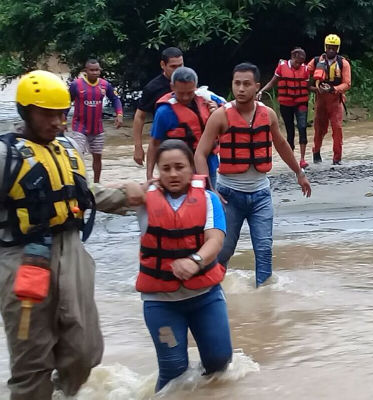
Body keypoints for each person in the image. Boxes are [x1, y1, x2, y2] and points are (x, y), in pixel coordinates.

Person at [0, 70, 146, 400]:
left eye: (61, 114)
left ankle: (58, 392)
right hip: (22, 259)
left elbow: (85, 192)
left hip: (72, 252)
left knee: (85, 349)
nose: (56, 122)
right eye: (47, 114)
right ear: (25, 112)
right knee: (31, 358)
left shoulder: (66, 149)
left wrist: (128, 195)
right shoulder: (5, 156)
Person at [194, 63, 311, 287]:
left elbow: (282, 145)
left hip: (260, 195)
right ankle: (212, 294)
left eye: (247, 84)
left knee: (264, 250)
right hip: (228, 196)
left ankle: (264, 303)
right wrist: (210, 191)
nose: (241, 89)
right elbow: (200, 154)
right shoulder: (220, 116)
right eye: (237, 83)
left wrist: (299, 172)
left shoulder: (268, 115)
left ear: (257, 87)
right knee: (223, 250)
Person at [135, 139, 231, 392]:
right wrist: (140, 187)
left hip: (205, 297)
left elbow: (216, 239)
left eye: (180, 167)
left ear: (192, 169)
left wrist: (195, 260)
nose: (173, 174)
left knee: (219, 361)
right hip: (161, 303)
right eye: (165, 168)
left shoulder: (209, 199)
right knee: (173, 370)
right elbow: (104, 194)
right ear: (158, 171)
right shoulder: (145, 199)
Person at [146, 67, 220, 185]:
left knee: (209, 199)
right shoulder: (164, 112)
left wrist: (217, 113)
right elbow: (154, 143)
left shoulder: (208, 100)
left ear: (195, 87)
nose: (185, 97)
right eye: (181, 93)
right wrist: (149, 176)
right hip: (179, 171)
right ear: (172, 87)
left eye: (190, 93)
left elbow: (233, 118)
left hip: (209, 164)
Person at [68, 59, 123, 183]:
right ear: (85, 71)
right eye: (92, 70)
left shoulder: (105, 85)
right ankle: (78, 183)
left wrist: (119, 114)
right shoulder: (76, 85)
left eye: (97, 70)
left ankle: (96, 184)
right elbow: (66, 102)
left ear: (100, 70)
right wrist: (61, 120)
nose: (95, 72)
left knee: (97, 157)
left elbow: (115, 99)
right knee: (78, 156)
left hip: (97, 129)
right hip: (79, 128)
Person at [257, 47, 311, 168]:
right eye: (297, 62)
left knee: (302, 127)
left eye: (301, 63)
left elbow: (307, 86)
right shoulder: (282, 67)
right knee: (290, 130)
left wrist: (320, 89)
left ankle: (302, 159)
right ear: (292, 58)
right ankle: (291, 159)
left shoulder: (305, 69)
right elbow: (273, 82)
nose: (299, 65)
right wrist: (261, 91)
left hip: (301, 103)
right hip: (286, 104)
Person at [132, 47, 184, 166]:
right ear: (163, 65)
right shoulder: (152, 88)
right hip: (164, 142)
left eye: (180, 66)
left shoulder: (188, 81)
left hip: (188, 139)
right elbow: (140, 116)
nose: (178, 71)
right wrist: (138, 147)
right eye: (173, 67)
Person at [307, 34, 351, 165]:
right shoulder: (315, 61)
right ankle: (316, 153)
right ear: (325, 47)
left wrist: (332, 89)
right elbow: (305, 75)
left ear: (337, 49)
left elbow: (347, 83)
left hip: (336, 99)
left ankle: (337, 158)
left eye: (334, 48)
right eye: (329, 47)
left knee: (337, 128)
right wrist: (313, 88)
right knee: (319, 128)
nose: (331, 50)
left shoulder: (343, 63)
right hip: (320, 98)